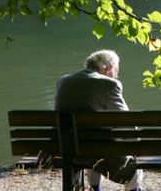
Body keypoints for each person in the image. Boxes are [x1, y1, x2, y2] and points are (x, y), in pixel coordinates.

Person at [55, 50, 144, 191]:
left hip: (67, 152)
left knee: (92, 143)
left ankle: (96, 188)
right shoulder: (109, 84)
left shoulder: (64, 81)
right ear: (108, 68)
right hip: (98, 152)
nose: (117, 75)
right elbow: (126, 123)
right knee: (127, 164)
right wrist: (136, 145)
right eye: (116, 70)